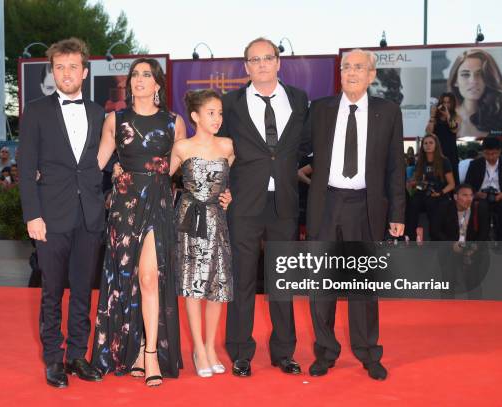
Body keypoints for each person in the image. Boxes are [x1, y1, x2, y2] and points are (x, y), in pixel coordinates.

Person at [306, 49, 405, 380]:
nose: (350, 71)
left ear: (371, 75)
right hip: (326, 204)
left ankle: (368, 352)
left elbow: (396, 166)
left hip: (366, 206)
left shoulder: (388, 112)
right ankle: (326, 351)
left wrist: (398, 212)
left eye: (358, 67)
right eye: (346, 66)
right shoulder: (320, 109)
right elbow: (297, 151)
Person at [91, 58, 185, 387]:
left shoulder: (175, 122)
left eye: (147, 75)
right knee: (127, 278)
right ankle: (133, 347)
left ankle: (151, 353)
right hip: (124, 206)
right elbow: (98, 162)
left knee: (148, 277)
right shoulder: (115, 120)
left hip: (158, 204)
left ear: (158, 84)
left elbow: (177, 169)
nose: (140, 79)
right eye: (135, 75)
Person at [218, 37, 309, 377]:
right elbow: (218, 149)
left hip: (284, 201)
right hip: (243, 202)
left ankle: (284, 352)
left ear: (278, 62)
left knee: (282, 280)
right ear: (246, 67)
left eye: (267, 58)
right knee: (241, 279)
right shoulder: (231, 103)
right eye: (254, 60)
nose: (261, 65)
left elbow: (309, 145)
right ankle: (240, 351)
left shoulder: (299, 100)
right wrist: (219, 190)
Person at [18, 37, 105, 389]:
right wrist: (32, 215)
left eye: (72, 67)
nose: (66, 73)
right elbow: (25, 168)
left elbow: (102, 165)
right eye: (59, 67)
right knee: (52, 291)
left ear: (84, 72)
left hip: (89, 216)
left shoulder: (100, 113)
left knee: (83, 291)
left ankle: (77, 356)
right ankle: (54, 359)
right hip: (50, 217)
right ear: (52, 72)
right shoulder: (36, 110)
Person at [170, 89, 234, 378]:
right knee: (193, 286)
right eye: (211, 113)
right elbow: (161, 178)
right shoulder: (181, 148)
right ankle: (197, 347)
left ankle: (210, 346)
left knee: (217, 288)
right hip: (190, 222)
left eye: (219, 112)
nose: (217, 118)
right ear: (195, 116)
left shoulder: (227, 146)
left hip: (217, 220)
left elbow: (228, 183)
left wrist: (229, 195)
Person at [447, 49, 502, 139]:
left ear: (490, 78)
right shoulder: (444, 118)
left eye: (480, 74)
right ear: (455, 81)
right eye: (465, 74)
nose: (473, 81)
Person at [405, 134, 456, 241]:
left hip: (438, 194)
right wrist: (413, 183)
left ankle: (436, 236)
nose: (428, 145)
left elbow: (452, 184)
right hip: (422, 193)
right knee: (412, 202)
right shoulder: (420, 161)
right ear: (422, 146)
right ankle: (410, 237)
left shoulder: (444, 161)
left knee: (432, 203)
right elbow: (417, 183)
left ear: (436, 145)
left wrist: (440, 193)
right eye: (425, 143)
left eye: (431, 143)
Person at [464, 137, 502, 241]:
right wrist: (476, 193)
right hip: (481, 196)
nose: (491, 157)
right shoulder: (475, 164)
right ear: (482, 152)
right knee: (481, 207)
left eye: (494, 153)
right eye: (487, 154)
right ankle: (482, 238)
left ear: (500, 151)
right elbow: (467, 185)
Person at [426, 92, 461, 182]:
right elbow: (428, 132)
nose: (446, 105)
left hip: (450, 151)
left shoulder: (456, 116)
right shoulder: (436, 118)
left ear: (452, 104)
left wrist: (448, 116)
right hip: (437, 151)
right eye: (444, 102)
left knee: (452, 177)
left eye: (448, 102)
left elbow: (454, 129)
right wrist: (433, 116)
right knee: (437, 178)